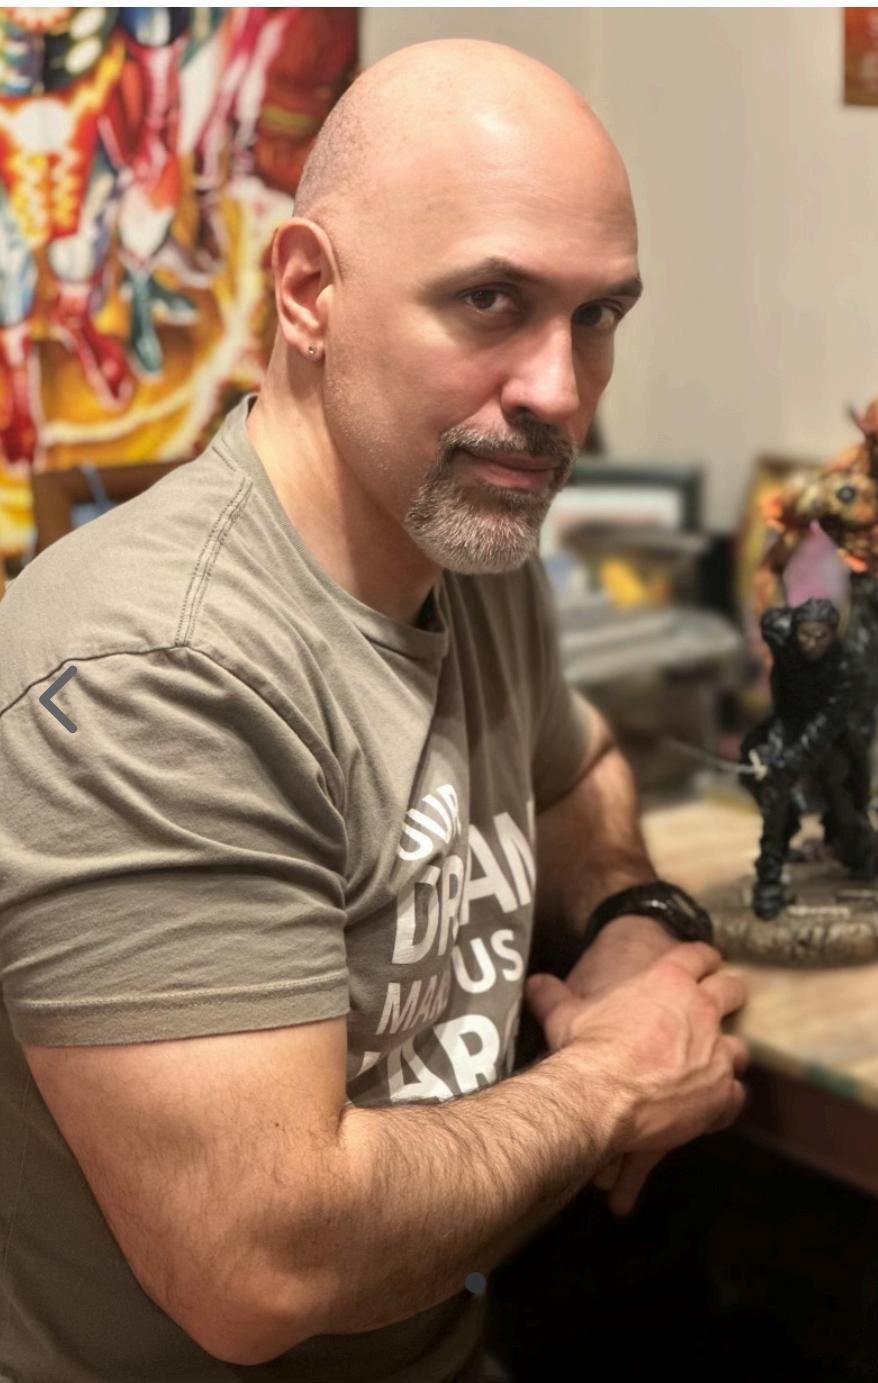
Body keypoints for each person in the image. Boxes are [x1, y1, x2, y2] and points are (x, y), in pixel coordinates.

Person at [0, 39, 747, 1383]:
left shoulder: (462, 535)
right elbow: (259, 1269)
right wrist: (613, 1083)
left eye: (596, 316)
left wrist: (632, 927)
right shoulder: (150, 673)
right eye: (491, 302)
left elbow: (575, 769)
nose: (560, 392)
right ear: (308, 293)